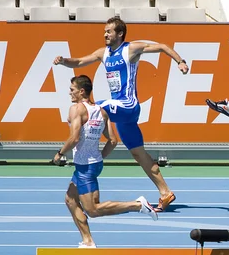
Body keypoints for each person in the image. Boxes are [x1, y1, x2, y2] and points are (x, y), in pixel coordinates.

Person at [53, 17, 189, 212]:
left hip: (128, 105)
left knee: (92, 107)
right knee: (138, 154)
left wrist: (180, 62)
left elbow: (163, 47)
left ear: (120, 34)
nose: (105, 34)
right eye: (104, 31)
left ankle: (83, 148)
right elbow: (81, 61)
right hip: (122, 114)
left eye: (109, 31)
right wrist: (64, 61)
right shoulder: (103, 53)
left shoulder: (131, 49)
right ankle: (165, 192)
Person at [53, 75, 158, 248]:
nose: (69, 93)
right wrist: (99, 156)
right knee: (70, 200)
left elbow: (74, 137)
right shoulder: (102, 111)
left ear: (81, 91)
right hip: (92, 163)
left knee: (93, 210)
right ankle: (88, 241)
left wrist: (59, 154)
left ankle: (138, 205)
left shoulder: (76, 109)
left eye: (72, 90)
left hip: (85, 167)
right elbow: (113, 141)